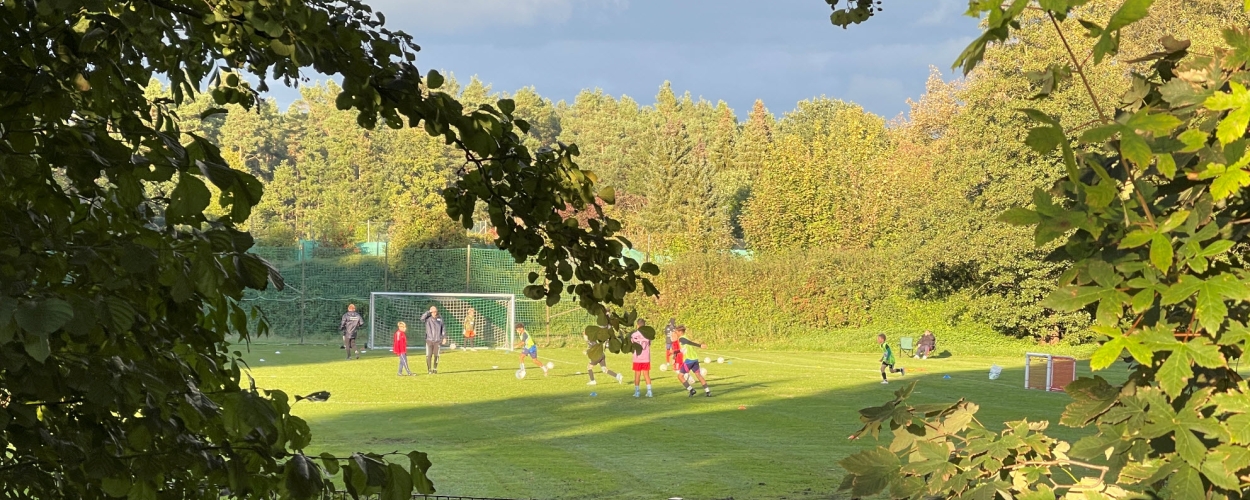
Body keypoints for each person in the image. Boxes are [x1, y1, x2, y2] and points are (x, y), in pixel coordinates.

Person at [672, 326, 710, 397]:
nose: (675, 333)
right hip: (695, 359)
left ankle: (691, 390)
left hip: (689, 360)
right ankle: (708, 391)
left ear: (680, 332)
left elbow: (689, 342)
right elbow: (684, 349)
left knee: (680, 376)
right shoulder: (685, 337)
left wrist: (700, 345)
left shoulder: (682, 339)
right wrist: (675, 351)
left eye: (676, 332)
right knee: (698, 375)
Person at [420, 306, 446, 374]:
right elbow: (422, 318)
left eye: (435, 311)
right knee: (429, 355)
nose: (435, 313)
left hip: (437, 340)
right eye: (433, 312)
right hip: (429, 340)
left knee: (436, 355)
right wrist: (428, 312)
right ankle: (429, 369)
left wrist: (444, 337)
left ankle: (435, 368)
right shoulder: (427, 318)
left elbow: (443, 328)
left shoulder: (440, 318)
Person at [630, 319, 653, 398]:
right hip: (646, 357)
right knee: (646, 375)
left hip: (637, 357)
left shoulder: (634, 335)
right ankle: (649, 391)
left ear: (637, 325)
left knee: (637, 375)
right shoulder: (648, 335)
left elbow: (632, 344)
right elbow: (649, 344)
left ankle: (637, 392)